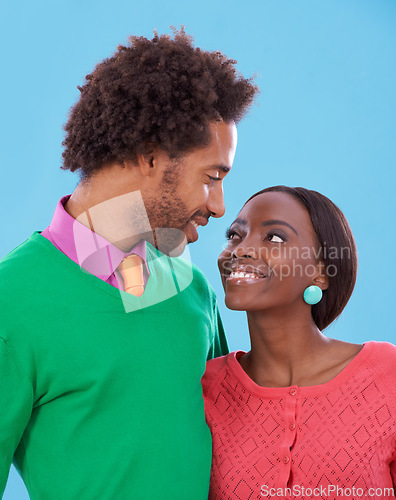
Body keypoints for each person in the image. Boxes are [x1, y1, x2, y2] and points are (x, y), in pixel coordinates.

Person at [0, 28, 258, 499]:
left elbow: (233, 454)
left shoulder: (189, 287)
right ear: (150, 156)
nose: (220, 206)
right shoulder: (11, 301)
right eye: (212, 177)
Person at [202, 186, 396, 499]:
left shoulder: (388, 375)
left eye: (274, 238)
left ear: (320, 272)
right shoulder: (204, 390)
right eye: (235, 235)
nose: (240, 249)